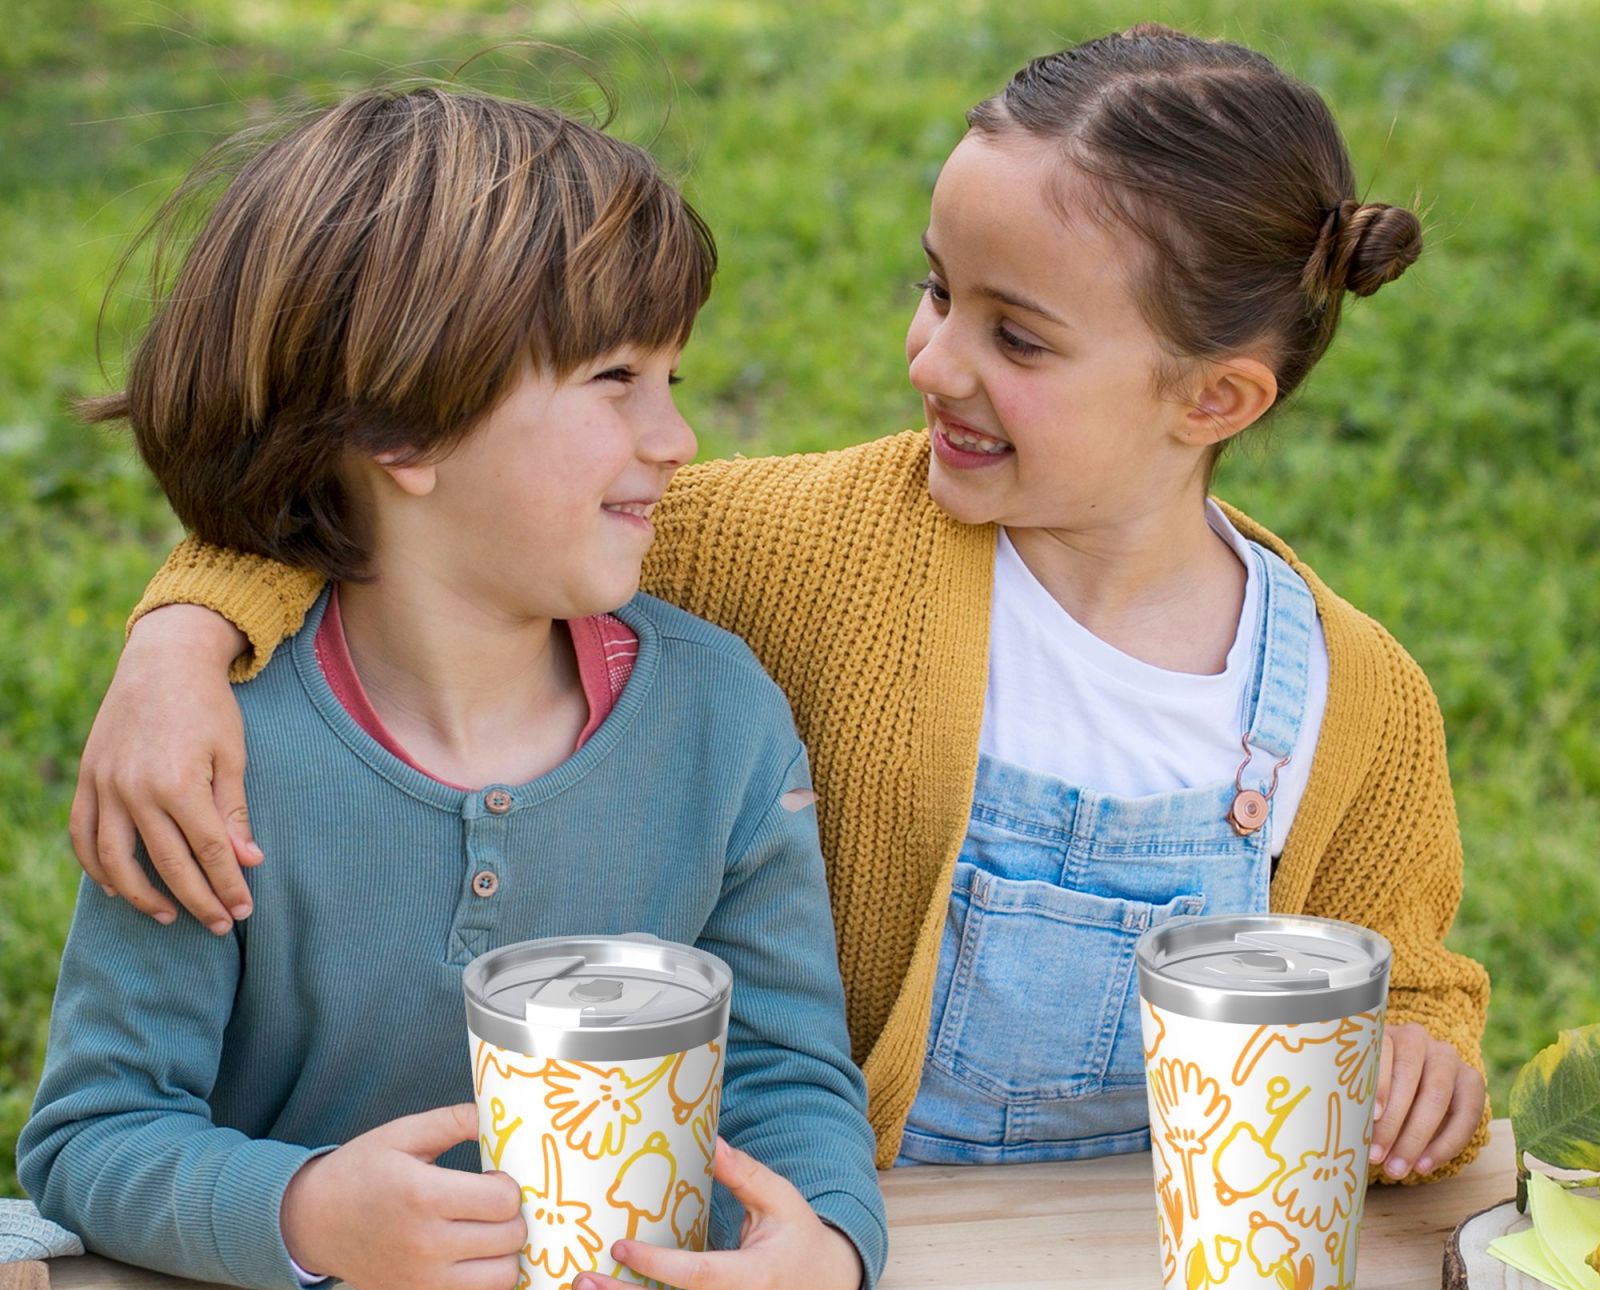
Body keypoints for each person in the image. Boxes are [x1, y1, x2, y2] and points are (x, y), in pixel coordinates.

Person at [68, 25, 1490, 1188]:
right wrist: (185, 635)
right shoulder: (808, 546)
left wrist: (1422, 1057)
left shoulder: (1353, 699)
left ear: (1216, 398)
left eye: (1018, 335)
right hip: (848, 1252)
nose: (934, 358)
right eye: (937, 291)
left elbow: (1404, 979)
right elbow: (421, 505)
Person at [20, 86, 887, 1290]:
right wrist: (312, 1211)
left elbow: (780, 1069)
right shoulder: (208, 758)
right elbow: (93, 1138)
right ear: (398, 430)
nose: (677, 438)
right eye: (614, 383)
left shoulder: (723, 720)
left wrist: (826, 1256)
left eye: (673, 379)